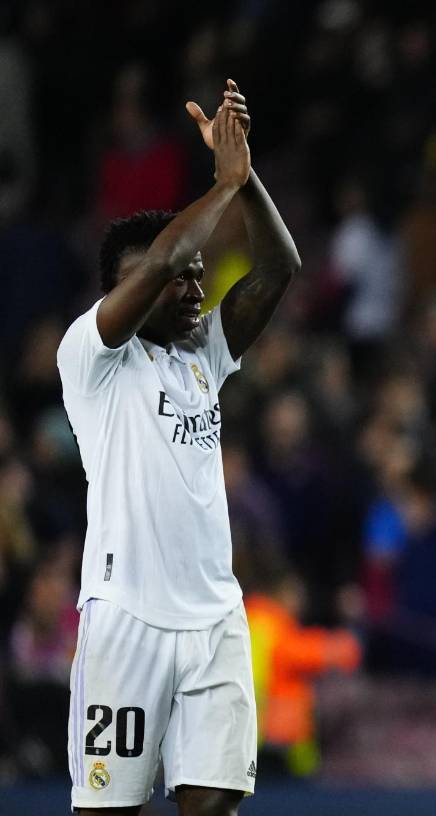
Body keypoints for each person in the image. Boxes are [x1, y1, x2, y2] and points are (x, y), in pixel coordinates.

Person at [57, 81, 300, 815]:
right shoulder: (91, 355)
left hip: (215, 619)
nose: (194, 285)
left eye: (198, 275)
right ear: (121, 293)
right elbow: (165, 256)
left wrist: (246, 178)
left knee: (217, 804)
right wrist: (218, 189)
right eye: (177, 280)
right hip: (125, 619)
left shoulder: (204, 353)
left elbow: (279, 267)